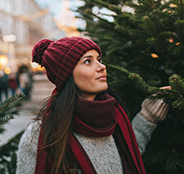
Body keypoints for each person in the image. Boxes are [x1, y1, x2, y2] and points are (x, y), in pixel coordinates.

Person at [16, 37, 169, 174]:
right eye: (87, 61)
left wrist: (147, 117)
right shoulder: (39, 135)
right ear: (67, 74)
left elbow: (129, 155)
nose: (101, 67)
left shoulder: (113, 114)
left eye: (99, 59)